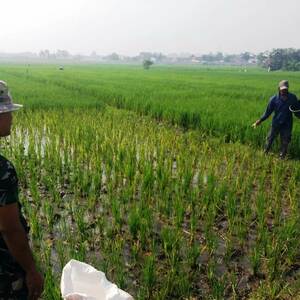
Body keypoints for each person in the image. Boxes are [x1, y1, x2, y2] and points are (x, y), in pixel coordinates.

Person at [0, 80, 44, 299]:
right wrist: (31, 270)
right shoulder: (2, 170)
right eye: (7, 112)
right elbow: (9, 228)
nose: (11, 117)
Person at [252, 80, 299, 158]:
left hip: (287, 125)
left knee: (285, 141)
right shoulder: (273, 99)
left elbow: (296, 110)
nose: (284, 90)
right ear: (279, 88)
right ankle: (265, 153)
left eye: (286, 89)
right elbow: (267, 112)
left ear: (288, 88)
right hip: (276, 124)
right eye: (282, 89)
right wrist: (259, 121)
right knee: (270, 139)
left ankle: (282, 157)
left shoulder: (293, 98)